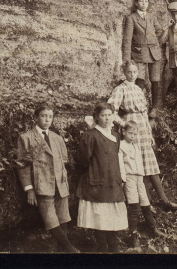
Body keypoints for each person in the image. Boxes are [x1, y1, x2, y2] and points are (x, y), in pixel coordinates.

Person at [108, 61, 177, 212]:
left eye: (135, 72)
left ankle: (164, 200)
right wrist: (122, 124)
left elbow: (144, 114)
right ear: (124, 73)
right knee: (138, 167)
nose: (132, 75)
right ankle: (146, 204)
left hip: (143, 128)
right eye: (129, 72)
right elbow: (111, 111)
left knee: (150, 165)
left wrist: (150, 133)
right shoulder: (120, 89)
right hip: (132, 129)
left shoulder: (138, 89)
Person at [16, 103, 79, 252]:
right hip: (42, 184)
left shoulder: (57, 138)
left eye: (50, 117)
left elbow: (63, 161)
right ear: (36, 117)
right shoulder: (26, 138)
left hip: (60, 184)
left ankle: (60, 251)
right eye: (44, 116)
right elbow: (22, 165)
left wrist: (64, 181)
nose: (47, 120)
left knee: (63, 217)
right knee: (50, 219)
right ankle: (70, 249)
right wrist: (29, 189)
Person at [76, 102, 127, 253]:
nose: (107, 118)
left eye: (109, 115)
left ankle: (113, 246)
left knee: (112, 216)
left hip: (113, 181)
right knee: (99, 216)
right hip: (96, 181)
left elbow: (117, 158)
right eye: (103, 115)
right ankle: (102, 246)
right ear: (96, 117)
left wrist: (120, 178)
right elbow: (83, 160)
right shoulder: (90, 135)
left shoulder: (115, 136)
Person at [119, 120, 164, 252]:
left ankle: (153, 228)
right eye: (130, 133)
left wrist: (143, 177)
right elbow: (121, 165)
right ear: (123, 132)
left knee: (145, 203)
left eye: (135, 134)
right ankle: (133, 236)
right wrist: (123, 180)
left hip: (139, 177)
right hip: (129, 177)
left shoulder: (136, 146)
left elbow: (140, 165)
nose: (132, 136)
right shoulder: (121, 146)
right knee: (134, 206)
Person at [121, 0, 165, 117]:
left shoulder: (151, 17)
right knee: (139, 80)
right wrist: (126, 59)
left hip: (154, 53)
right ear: (136, 3)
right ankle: (139, 106)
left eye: (146, 1)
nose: (144, 3)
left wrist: (153, 39)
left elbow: (159, 30)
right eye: (141, 1)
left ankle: (154, 108)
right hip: (139, 53)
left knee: (155, 80)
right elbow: (127, 39)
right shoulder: (132, 18)